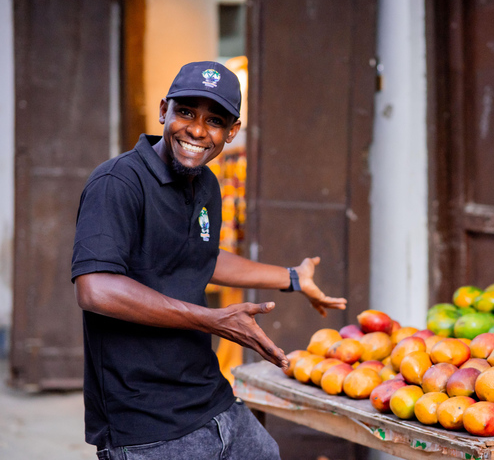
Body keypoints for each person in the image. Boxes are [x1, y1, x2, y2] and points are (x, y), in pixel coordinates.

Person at [71, 61, 346, 459]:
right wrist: (213, 320)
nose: (198, 130)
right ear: (164, 110)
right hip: (145, 420)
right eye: (186, 112)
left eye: (214, 120)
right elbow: (95, 289)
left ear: (231, 132)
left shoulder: (205, 182)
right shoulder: (117, 183)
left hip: (209, 397)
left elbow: (200, 256)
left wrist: (291, 278)